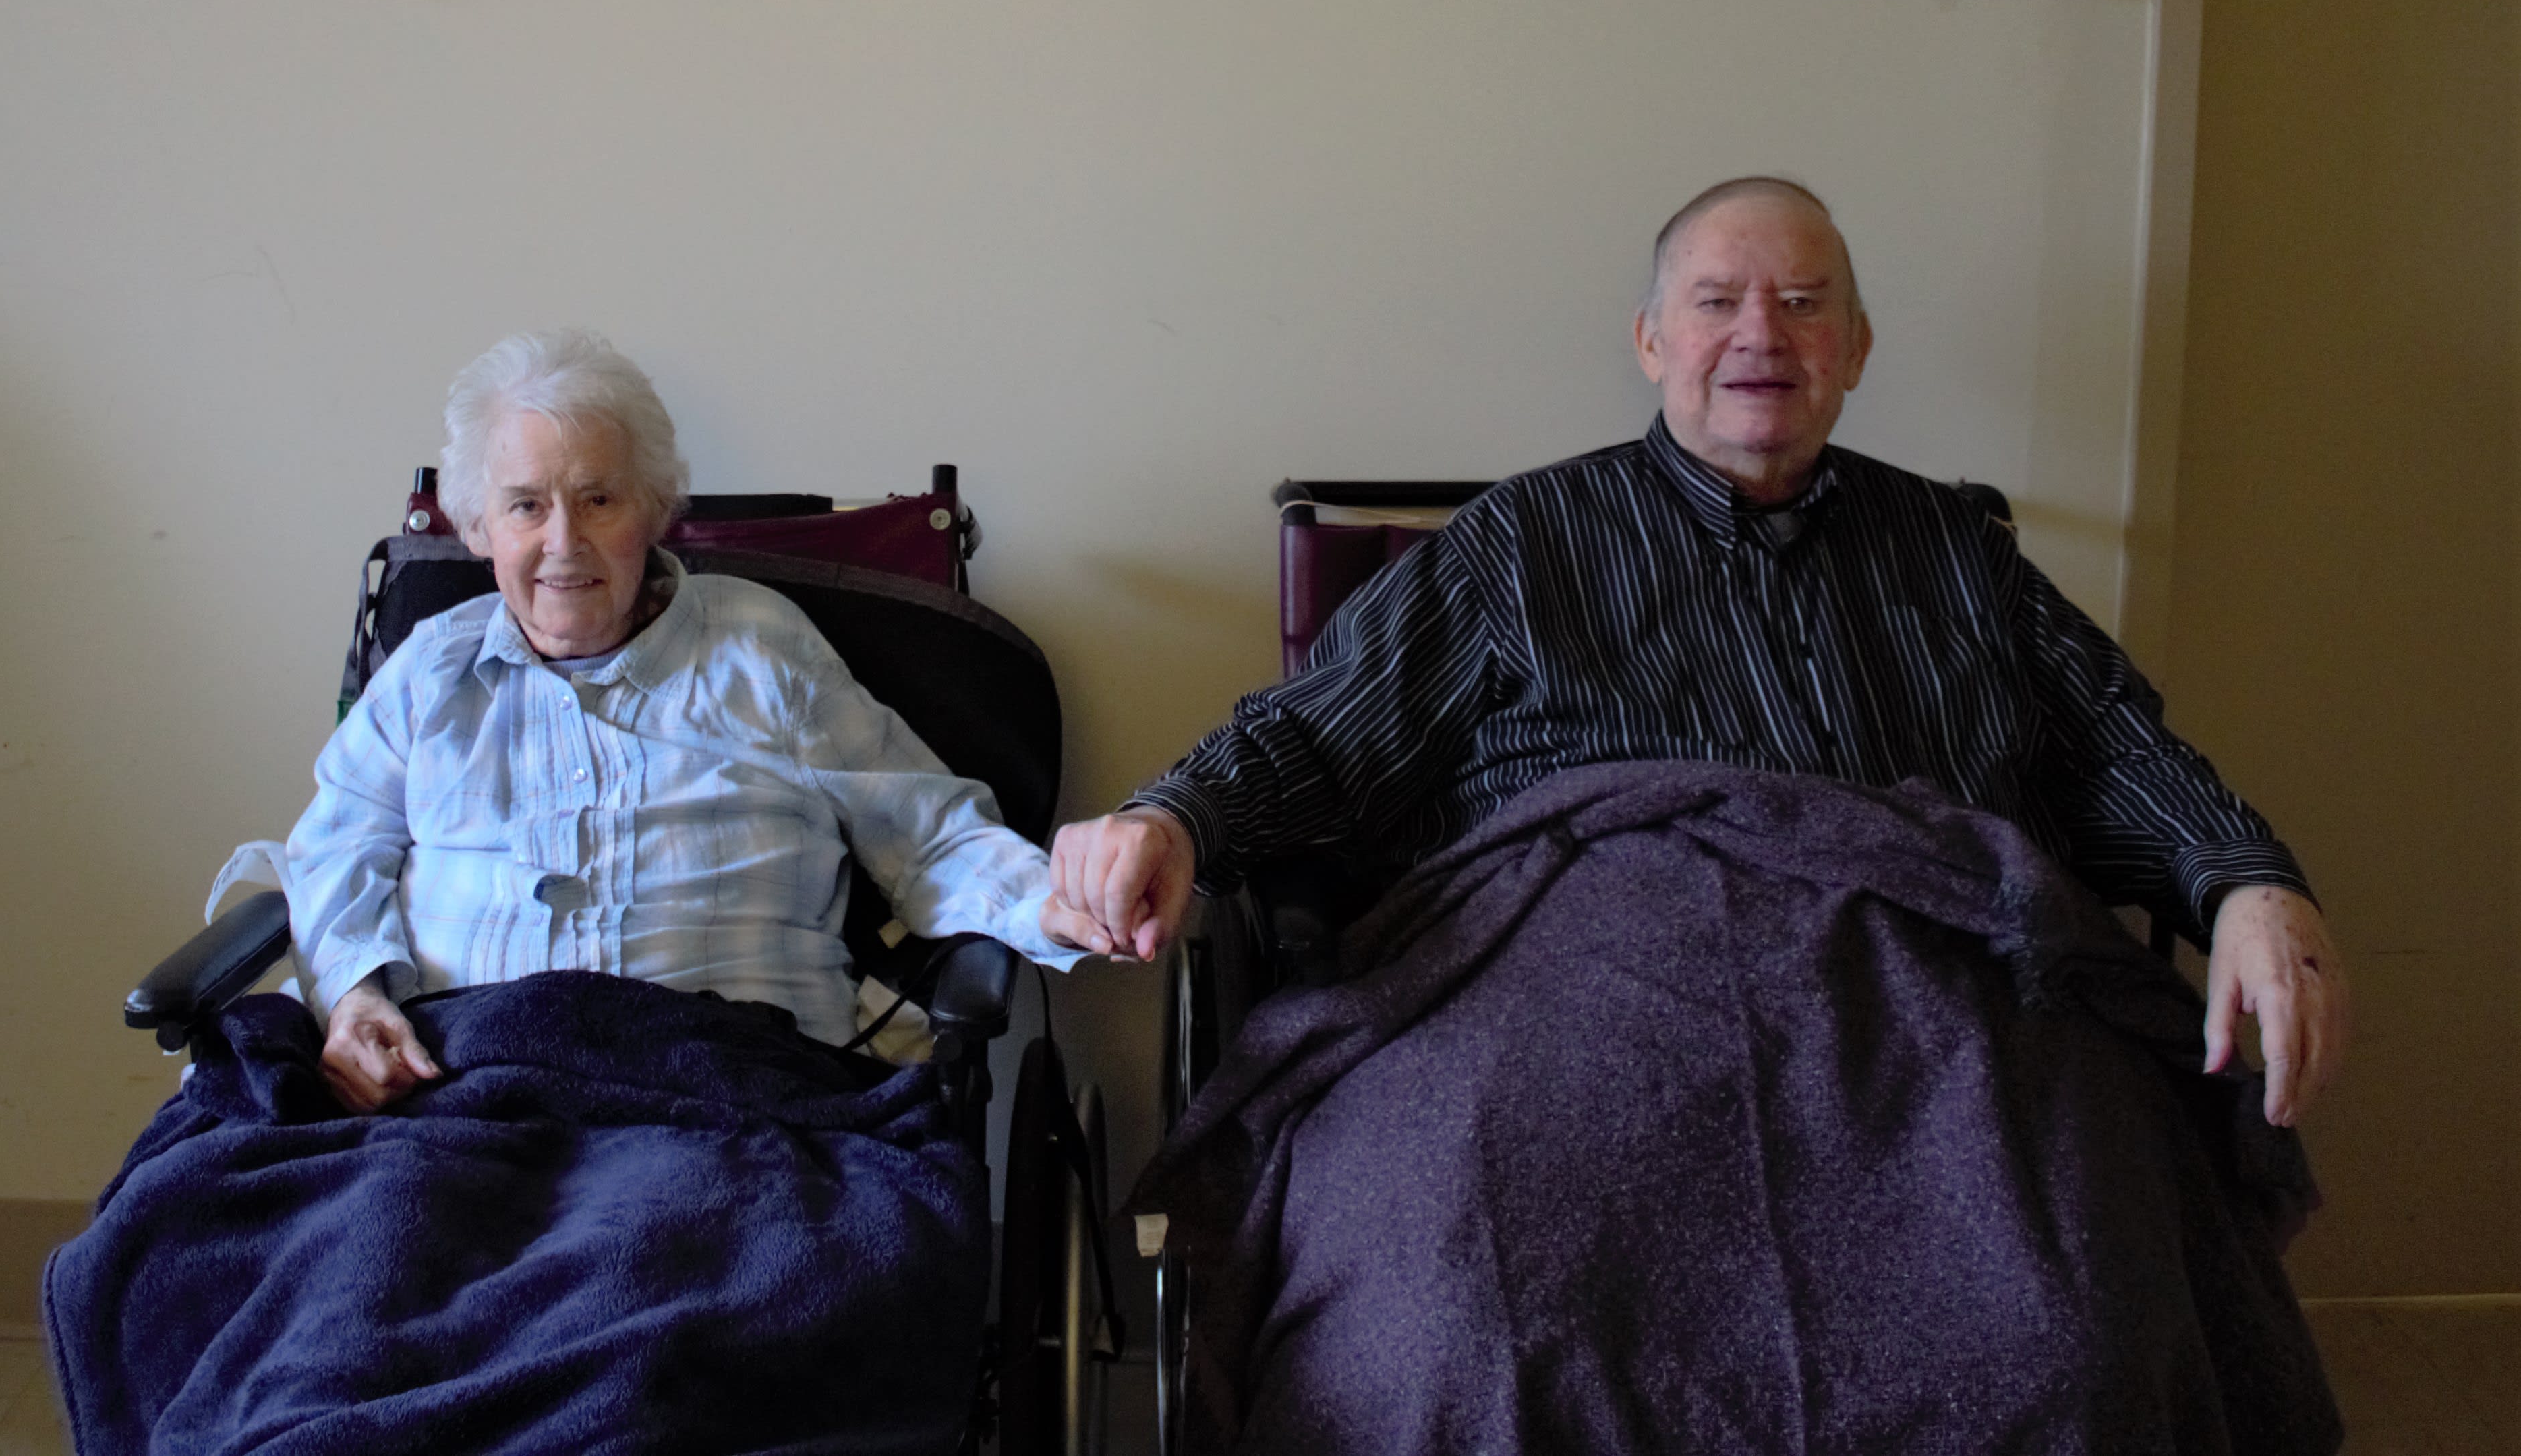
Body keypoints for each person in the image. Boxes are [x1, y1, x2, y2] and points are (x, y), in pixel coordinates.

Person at [1051, 176, 2347, 1126]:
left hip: (1943, 1030)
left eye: (1800, 302)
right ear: (1652, 342)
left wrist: (2244, 883)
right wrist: (1172, 816)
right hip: (1585, 1025)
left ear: (1854, 347)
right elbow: (1319, 736)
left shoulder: (1956, 549)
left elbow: (2109, 745)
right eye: (1717, 301)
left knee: (2075, 1311)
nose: (1759, 336)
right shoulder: (1520, 541)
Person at [289, 328, 1099, 1110]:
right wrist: (354, 996)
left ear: (654, 509)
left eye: (598, 499)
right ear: (478, 528)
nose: (563, 542)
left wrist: (1046, 906)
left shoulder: (763, 650)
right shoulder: (431, 671)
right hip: (455, 1096)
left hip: (735, 1096)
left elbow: (927, 834)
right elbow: (334, 849)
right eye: (527, 506)